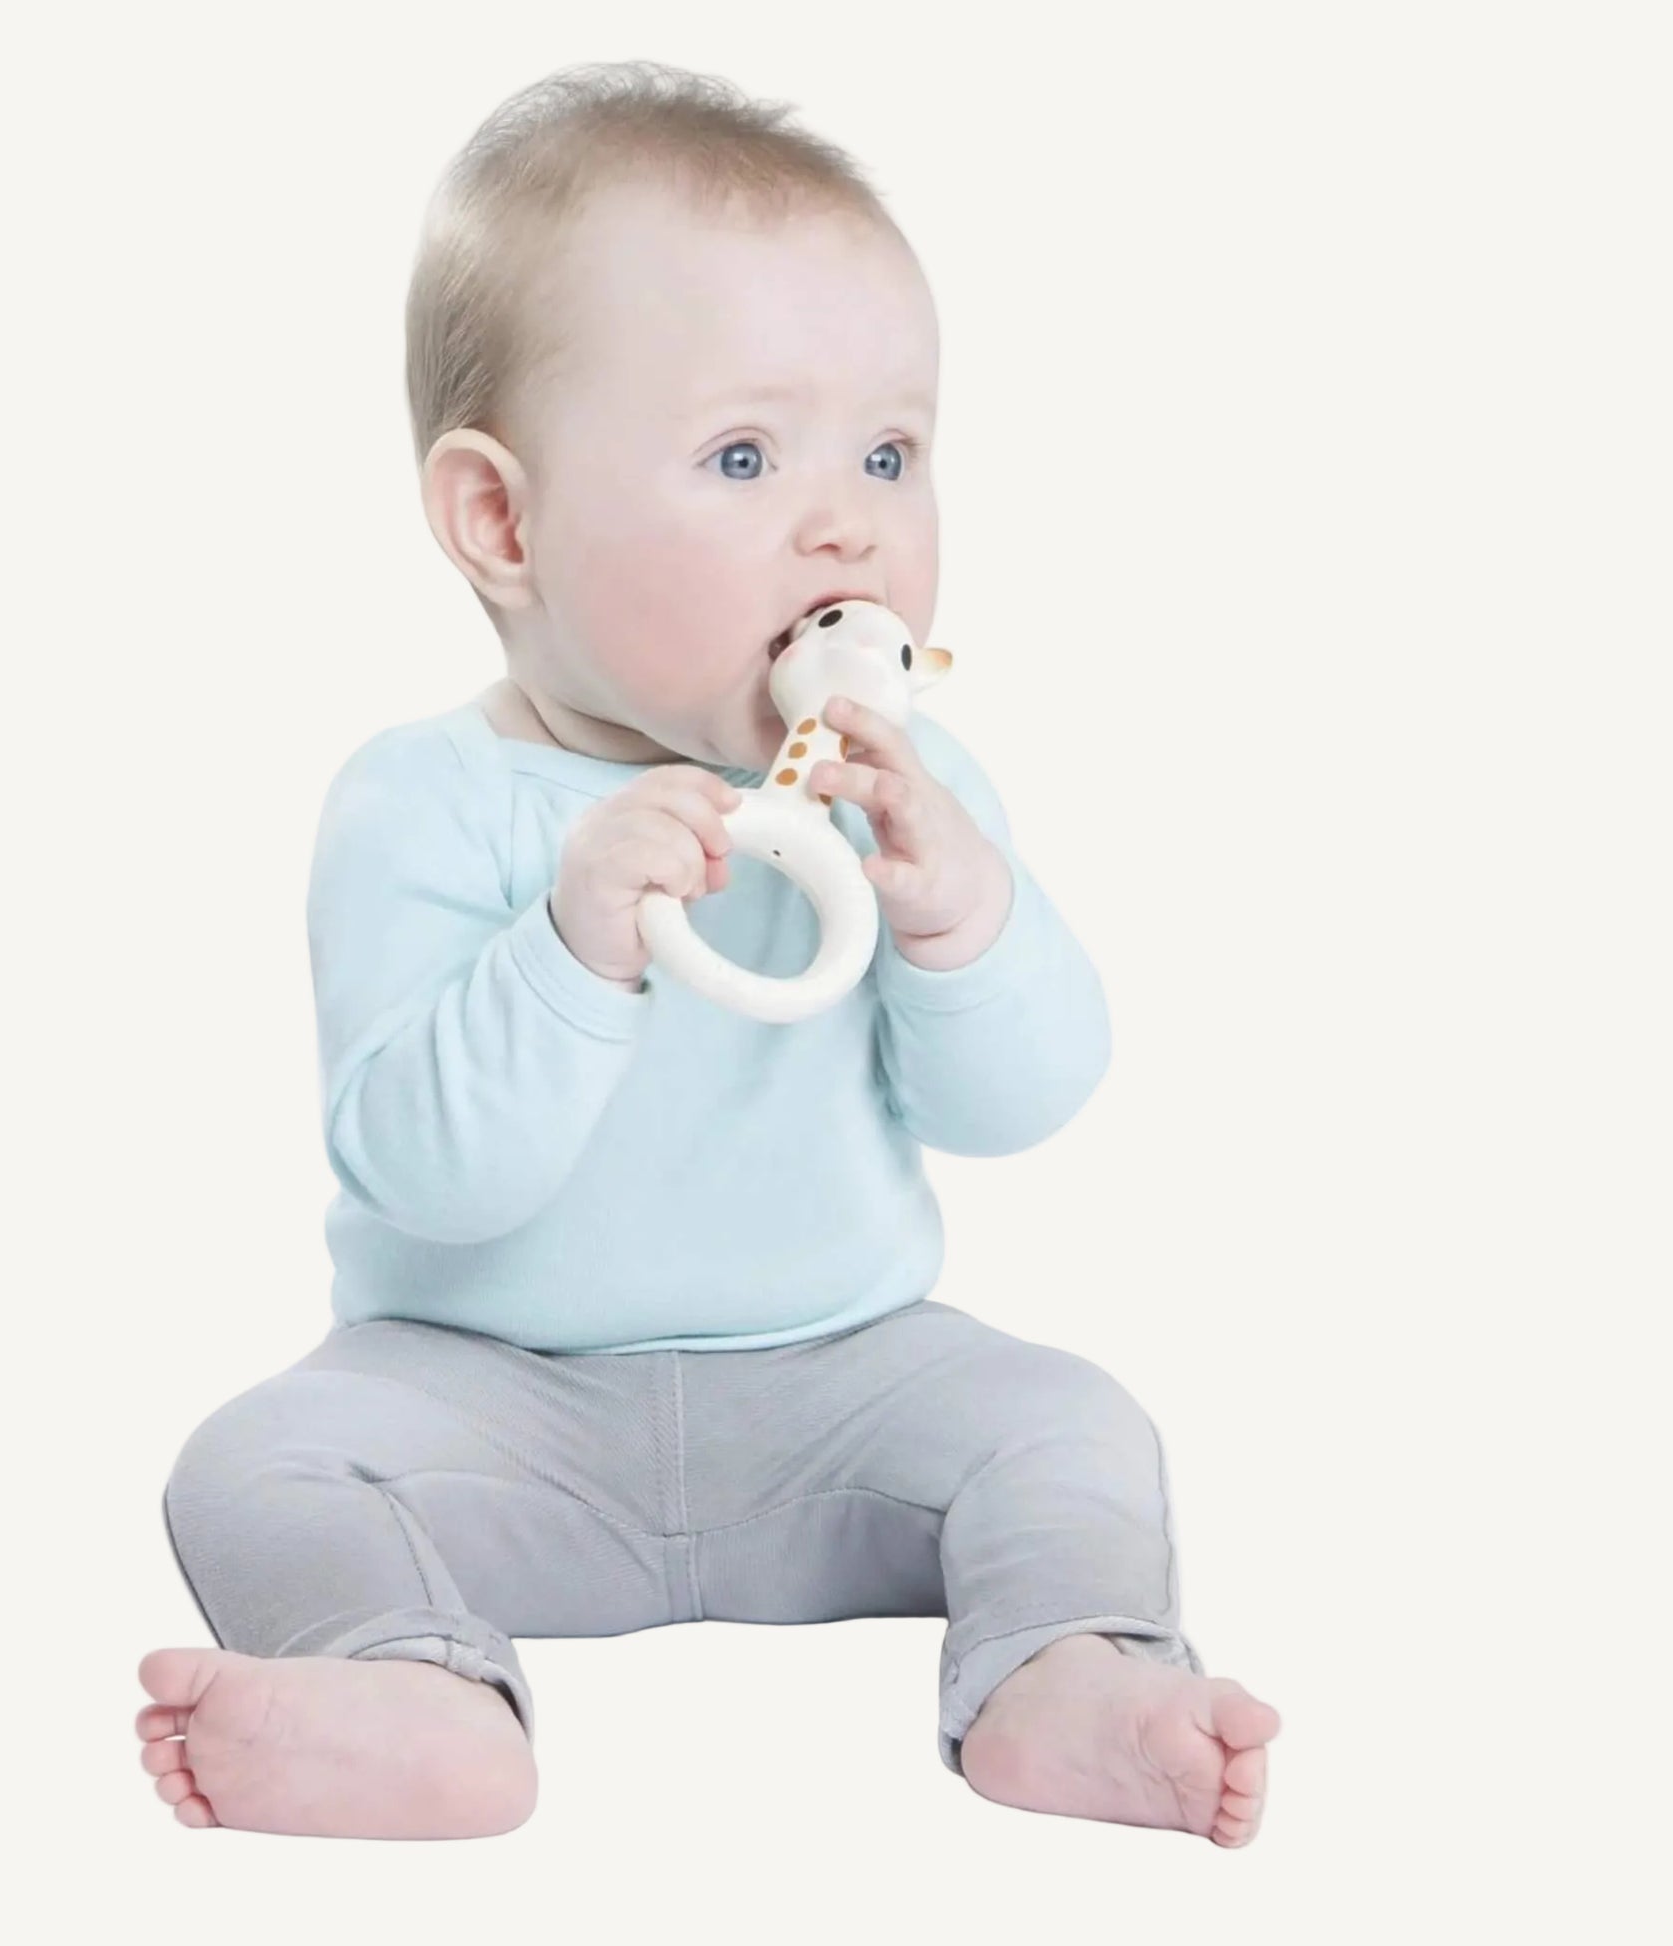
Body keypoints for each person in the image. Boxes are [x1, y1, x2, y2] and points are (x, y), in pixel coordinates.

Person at [133, 60, 1280, 1844]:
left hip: (842, 1391)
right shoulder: (423, 802)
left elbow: (1019, 1101)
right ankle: (410, 1685)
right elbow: (428, 1174)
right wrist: (576, 941)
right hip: (485, 1407)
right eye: (745, 456)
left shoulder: (904, 794)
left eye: (888, 452)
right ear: (500, 523)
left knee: (1071, 1423)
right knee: (254, 1462)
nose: (848, 525)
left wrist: (957, 914)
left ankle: (1058, 1669)